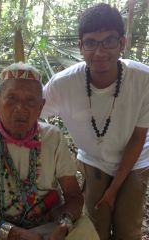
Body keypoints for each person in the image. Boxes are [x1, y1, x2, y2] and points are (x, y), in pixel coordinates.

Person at [0, 62, 99, 240]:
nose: (20, 108)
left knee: (83, 228)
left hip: (44, 226)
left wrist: (64, 225)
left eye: (30, 101)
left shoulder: (52, 136)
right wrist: (11, 232)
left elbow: (74, 196)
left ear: (41, 106)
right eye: (11, 98)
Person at [42, 3, 149, 240]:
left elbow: (138, 137)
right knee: (94, 229)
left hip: (135, 160)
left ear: (122, 43)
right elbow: (28, 111)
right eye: (91, 42)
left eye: (108, 41)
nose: (99, 52)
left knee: (127, 228)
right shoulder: (64, 84)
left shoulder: (142, 79)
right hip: (94, 159)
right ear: (81, 46)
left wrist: (113, 191)